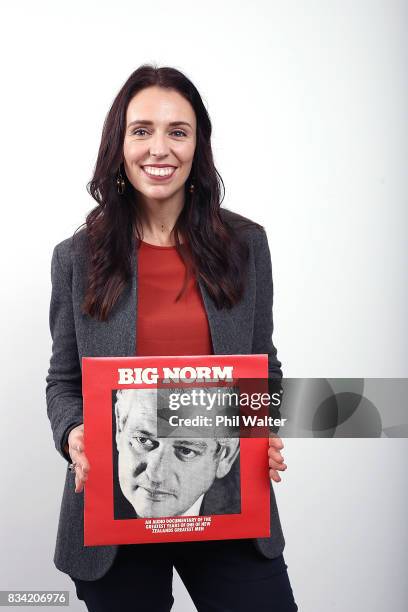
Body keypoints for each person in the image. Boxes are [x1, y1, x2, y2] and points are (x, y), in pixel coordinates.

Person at [46, 64, 297, 611]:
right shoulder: (76, 258)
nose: (159, 149)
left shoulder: (245, 245)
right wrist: (75, 432)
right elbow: (63, 381)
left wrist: (260, 427)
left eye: (177, 131)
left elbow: (263, 364)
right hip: (116, 508)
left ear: (197, 146)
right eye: (142, 131)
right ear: (120, 144)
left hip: (227, 504)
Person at [114, 387, 240, 518]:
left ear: (225, 456)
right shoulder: (96, 510)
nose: (156, 475)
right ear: (120, 428)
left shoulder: (250, 527)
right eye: (143, 440)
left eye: (186, 451)